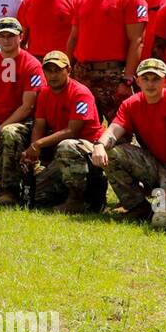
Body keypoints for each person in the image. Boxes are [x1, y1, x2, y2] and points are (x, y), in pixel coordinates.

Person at [90, 58, 166, 229]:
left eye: (156, 79)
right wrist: (99, 145)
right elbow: (114, 130)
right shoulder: (131, 104)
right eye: (146, 79)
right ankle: (138, 207)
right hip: (154, 164)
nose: (150, 84)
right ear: (138, 81)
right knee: (112, 154)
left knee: (163, 222)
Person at [67, 0, 147, 125]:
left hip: (113, 76)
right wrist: (67, 68)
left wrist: (127, 79)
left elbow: (137, 41)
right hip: (82, 75)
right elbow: (74, 37)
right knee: (81, 131)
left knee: (119, 133)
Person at [21, 50, 106, 213]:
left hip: (89, 149)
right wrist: (32, 153)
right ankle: (84, 193)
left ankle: (77, 199)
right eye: (49, 70)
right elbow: (39, 125)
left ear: (68, 70)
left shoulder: (80, 93)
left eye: (58, 70)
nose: (53, 75)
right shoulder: (44, 93)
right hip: (62, 152)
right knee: (36, 195)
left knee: (67, 145)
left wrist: (38, 144)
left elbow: (73, 131)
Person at [0, 17, 43, 205]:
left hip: (24, 123)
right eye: (2, 36)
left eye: (11, 36)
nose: (6, 40)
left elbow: (28, 105)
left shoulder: (32, 65)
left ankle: (8, 190)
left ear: (20, 37)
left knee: (9, 134)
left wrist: (0, 128)